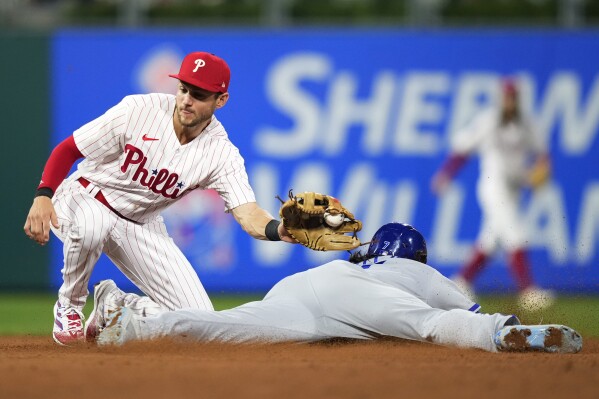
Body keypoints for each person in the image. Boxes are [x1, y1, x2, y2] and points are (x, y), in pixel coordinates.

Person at [23, 51, 295, 346]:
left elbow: (248, 213)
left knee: (199, 320)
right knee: (93, 225)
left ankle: (115, 305)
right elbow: (69, 149)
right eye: (183, 89)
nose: (187, 100)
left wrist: (279, 230)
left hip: (140, 224)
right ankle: (69, 305)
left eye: (199, 94)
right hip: (85, 197)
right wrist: (43, 195)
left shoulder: (221, 154)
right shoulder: (139, 110)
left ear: (221, 100)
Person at [91, 223, 582, 354]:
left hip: (302, 286)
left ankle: (134, 317)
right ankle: (506, 337)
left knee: (222, 325)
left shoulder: (361, 263)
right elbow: (462, 309)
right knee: (430, 325)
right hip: (357, 303)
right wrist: (494, 322)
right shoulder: (418, 273)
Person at [431, 78, 554, 311]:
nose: (510, 101)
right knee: (515, 233)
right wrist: (446, 174)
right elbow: (462, 149)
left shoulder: (528, 124)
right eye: (507, 97)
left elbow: (543, 155)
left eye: (513, 97)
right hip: (492, 185)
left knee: (490, 240)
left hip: (515, 188)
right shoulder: (488, 120)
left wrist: (540, 173)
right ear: (501, 98)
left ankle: (461, 281)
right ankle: (528, 292)